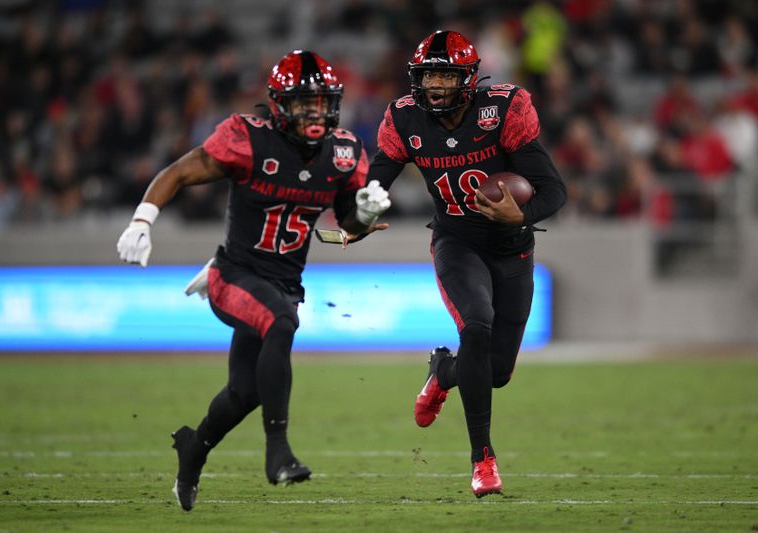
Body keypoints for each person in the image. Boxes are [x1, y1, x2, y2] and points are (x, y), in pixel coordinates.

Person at [116, 50, 390, 511]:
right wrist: (142, 221)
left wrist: (362, 214)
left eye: (321, 102)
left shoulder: (344, 152)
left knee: (245, 392)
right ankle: (278, 452)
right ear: (280, 104)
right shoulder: (247, 138)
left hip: (284, 282)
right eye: (303, 103)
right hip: (233, 276)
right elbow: (179, 172)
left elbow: (346, 224)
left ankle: (193, 448)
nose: (314, 112)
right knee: (281, 323)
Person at [365, 30, 566, 497]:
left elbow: (554, 189)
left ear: (468, 79)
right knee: (476, 326)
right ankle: (483, 460)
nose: (435, 84)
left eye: (445, 74)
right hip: (456, 241)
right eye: (428, 74)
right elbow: (376, 181)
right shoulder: (404, 117)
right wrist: (362, 213)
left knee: (495, 373)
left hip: (513, 246)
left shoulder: (503, 109)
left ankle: (443, 372)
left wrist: (524, 213)